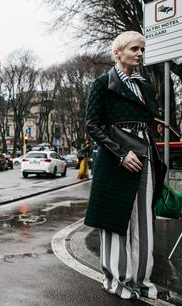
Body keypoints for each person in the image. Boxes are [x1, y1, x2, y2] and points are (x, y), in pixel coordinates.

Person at [84, 31, 165, 300]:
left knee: (143, 222)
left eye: (142, 49)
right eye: (134, 49)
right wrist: (120, 152)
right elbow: (92, 125)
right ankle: (116, 280)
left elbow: (151, 120)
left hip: (145, 154)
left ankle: (142, 281)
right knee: (115, 221)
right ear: (117, 53)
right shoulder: (102, 84)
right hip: (114, 159)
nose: (140, 54)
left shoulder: (145, 87)